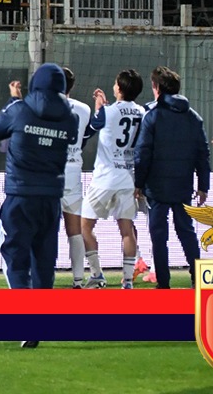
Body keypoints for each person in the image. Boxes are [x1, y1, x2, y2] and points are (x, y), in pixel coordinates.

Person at [0, 64, 78, 298]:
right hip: (51, 199)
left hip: (20, 194)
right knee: (44, 261)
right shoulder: (71, 118)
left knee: (15, 257)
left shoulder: (19, 110)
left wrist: (12, 101)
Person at [133, 66, 210, 290]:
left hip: (156, 187)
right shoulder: (194, 118)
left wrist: (139, 183)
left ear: (156, 88)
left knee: (159, 236)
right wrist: (203, 186)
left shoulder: (153, 116)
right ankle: (198, 277)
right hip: (183, 185)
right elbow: (202, 154)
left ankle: (164, 283)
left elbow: (142, 153)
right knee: (186, 231)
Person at [80, 69, 145, 289]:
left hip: (105, 179)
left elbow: (89, 130)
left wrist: (99, 109)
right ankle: (127, 281)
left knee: (84, 226)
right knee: (127, 230)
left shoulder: (107, 112)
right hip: (128, 177)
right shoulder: (142, 112)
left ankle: (97, 274)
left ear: (119, 88)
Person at [60, 67, 94, 289]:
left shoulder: (44, 106)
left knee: (44, 228)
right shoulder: (84, 109)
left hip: (51, 171)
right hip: (73, 170)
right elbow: (83, 139)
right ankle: (78, 280)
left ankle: (39, 278)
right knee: (75, 230)